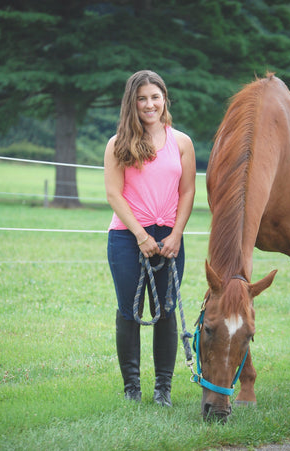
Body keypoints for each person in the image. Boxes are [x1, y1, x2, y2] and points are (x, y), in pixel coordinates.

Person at [104, 70, 196, 407]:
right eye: (142, 98)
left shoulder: (182, 142)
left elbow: (187, 192)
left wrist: (176, 234)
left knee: (166, 310)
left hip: (170, 238)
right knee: (129, 311)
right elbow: (114, 195)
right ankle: (132, 390)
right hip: (128, 237)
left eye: (154, 97)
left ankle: (163, 391)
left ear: (164, 99)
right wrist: (141, 236)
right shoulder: (117, 144)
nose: (149, 104)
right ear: (132, 102)